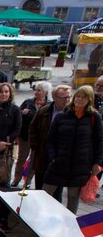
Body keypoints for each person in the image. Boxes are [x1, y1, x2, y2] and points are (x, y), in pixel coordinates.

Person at [43, 85, 103, 214]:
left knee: (73, 198)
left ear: (90, 100)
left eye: (84, 97)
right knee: (44, 195)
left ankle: (69, 227)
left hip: (80, 166)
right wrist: (53, 157)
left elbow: (99, 142)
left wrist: (97, 163)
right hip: (59, 163)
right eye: (78, 96)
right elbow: (50, 139)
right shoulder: (62, 116)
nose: (79, 99)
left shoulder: (94, 117)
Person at [29, 84, 70, 190]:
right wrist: (35, 146)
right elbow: (32, 128)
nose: (67, 100)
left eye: (68, 97)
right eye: (64, 97)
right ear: (55, 97)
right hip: (42, 153)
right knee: (40, 184)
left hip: (60, 156)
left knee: (57, 190)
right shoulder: (44, 111)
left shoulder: (71, 113)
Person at [15, 81, 51, 188]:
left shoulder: (49, 105)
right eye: (36, 90)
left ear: (45, 92)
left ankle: (28, 181)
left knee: (33, 160)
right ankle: (16, 179)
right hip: (25, 135)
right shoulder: (28, 102)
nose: (36, 92)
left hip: (39, 137)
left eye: (39, 90)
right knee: (21, 158)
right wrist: (22, 112)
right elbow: (18, 112)